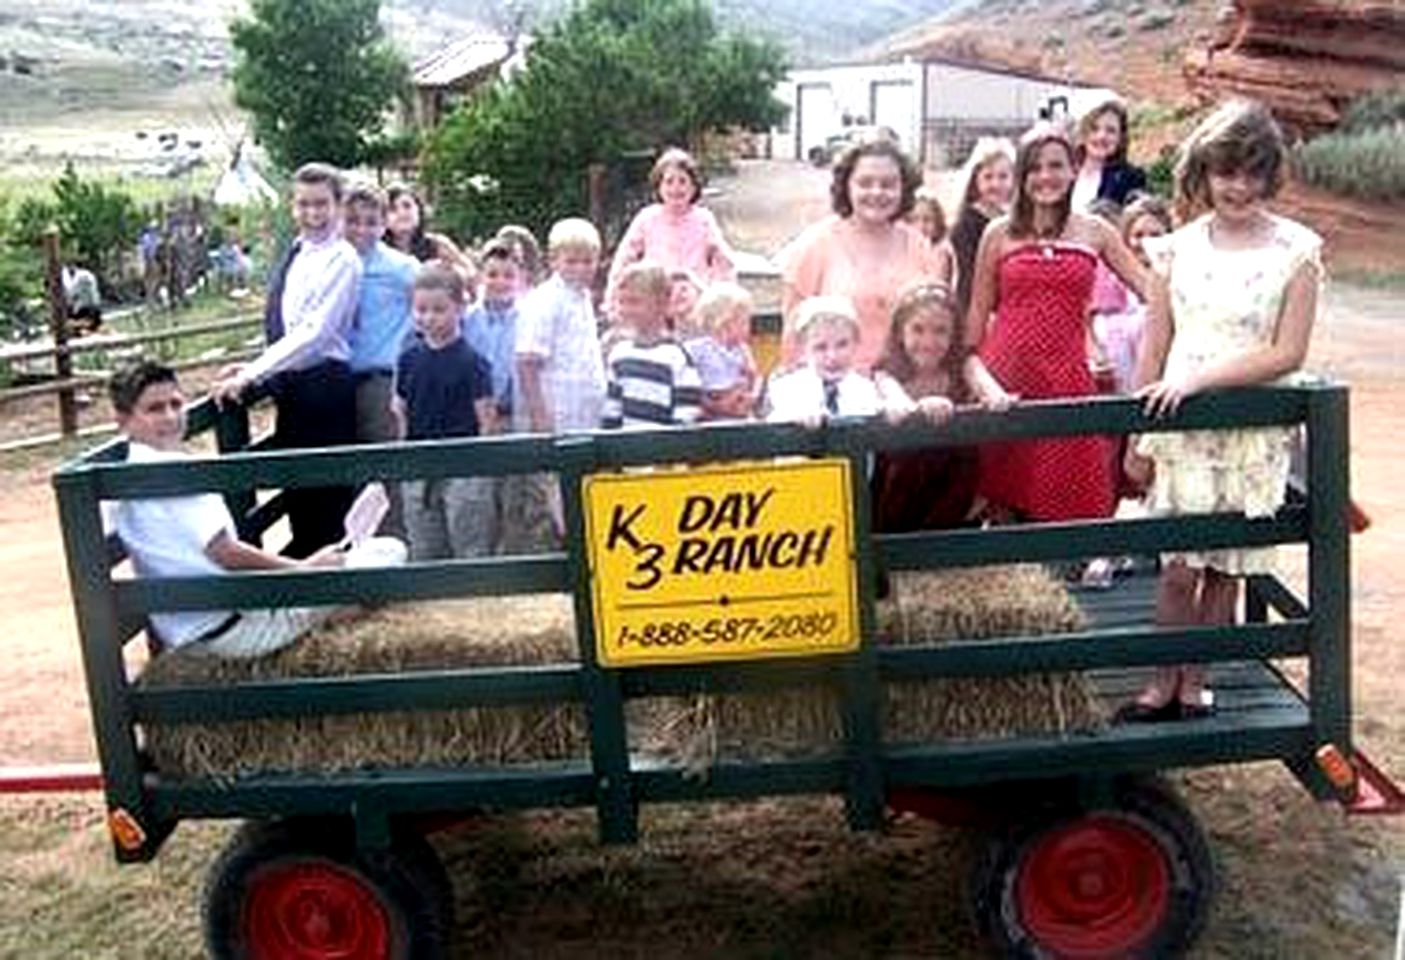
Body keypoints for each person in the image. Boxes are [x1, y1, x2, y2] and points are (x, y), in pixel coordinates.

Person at [1118, 101, 1321, 723]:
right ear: (1203, 173)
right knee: (1179, 568)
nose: (1237, 186)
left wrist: (1200, 379)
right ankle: (1160, 681)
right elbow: (1154, 345)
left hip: (1248, 432)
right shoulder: (1172, 251)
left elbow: (1288, 352)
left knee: (1225, 570)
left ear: (1269, 176)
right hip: (1179, 429)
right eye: (1225, 171)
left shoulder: (1298, 252)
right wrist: (1137, 439)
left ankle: (1195, 683)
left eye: (1252, 173)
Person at [109, 360, 405, 659]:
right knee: (389, 551)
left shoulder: (121, 475)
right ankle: (333, 616)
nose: (171, 417)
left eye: (176, 404)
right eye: (155, 409)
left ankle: (331, 610)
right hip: (233, 630)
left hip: (190, 628)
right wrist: (302, 571)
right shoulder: (178, 473)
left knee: (345, 561)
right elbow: (224, 552)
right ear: (123, 420)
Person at [962, 124, 1150, 525]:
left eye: (1056, 166)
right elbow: (976, 317)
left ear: (1073, 169)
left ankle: (1063, 581)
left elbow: (1150, 289)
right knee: (1003, 501)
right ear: (1022, 176)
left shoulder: (1095, 230)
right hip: (1006, 375)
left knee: (1067, 498)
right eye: (1034, 168)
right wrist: (973, 377)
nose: (1045, 176)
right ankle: (1014, 585)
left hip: (1066, 376)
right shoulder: (997, 233)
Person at [211, 162, 363, 558]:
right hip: (295, 389)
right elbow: (285, 327)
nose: (313, 214)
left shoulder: (342, 259)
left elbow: (315, 334)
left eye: (321, 204)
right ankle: (306, 587)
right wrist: (254, 368)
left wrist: (252, 372)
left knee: (327, 491)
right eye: (304, 205)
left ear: (338, 205)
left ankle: (336, 588)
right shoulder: (296, 252)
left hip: (325, 386)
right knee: (298, 489)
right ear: (292, 207)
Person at [782, 138, 949, 371]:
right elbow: (793, 334)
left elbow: (939, 324)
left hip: (904, 393)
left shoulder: (922, 248)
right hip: (838, 394)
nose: (877, 192)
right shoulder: (814, 245)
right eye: (865, 183)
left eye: (888, 184)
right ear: (846, 186)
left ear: (904, 189)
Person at [394, 265, 497, 561]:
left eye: (439, 309)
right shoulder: (408, 358)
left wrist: (481, 466)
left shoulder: (473, 362)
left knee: (470, 544)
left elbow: (485, 418)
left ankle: (473, 603)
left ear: (460, 308)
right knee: (424, 545)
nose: (429, 317)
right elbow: (401, 409)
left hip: (464, 463)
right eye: (421, 309)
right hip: (419, 462)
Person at [516, 218, 607, 539]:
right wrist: (541, 416)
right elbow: (527, 362)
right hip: (559, 413)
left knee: (585, 487)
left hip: (587, 414)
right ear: (553, 260)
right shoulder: (545, 301)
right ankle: (568, 552)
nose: (580, 268)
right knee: (559, 491)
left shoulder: (582, 297)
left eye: (588, 261)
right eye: (572, 261)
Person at [872, 282, 981, 532]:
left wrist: (994, 395)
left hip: (950, 477)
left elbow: (991, 390)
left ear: (954, 335)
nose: (928, 341)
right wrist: (924, 405)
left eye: (940, 331)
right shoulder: (886, 371)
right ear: (900, 332)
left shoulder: (964, 364)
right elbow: (898, 402)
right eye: (918, 330)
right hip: (901, 479)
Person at [343, 184, 419, 538]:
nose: (361, 229)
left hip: (381, 377)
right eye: (353, 220)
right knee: (352, 469)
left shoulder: (401, 268)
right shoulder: (335, 263)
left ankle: (394, 545)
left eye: (370, 221)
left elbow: (432, 310)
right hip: (340, 379)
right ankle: (357, 546)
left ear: (383, 223)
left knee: (385, 466)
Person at [604, 147, 736, 313]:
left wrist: (719, 299)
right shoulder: (647, 218)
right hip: (654, 301)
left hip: (692, 303)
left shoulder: (704, 219)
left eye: (682, 181)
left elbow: (724, 262)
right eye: (669, 182)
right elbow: (624, 259)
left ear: (694, 187)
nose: (676, 188)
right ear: (658, 186)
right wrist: (612, 300)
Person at [766, 295, 910, 425]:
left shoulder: (866, 390)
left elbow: (882, 415)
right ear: (804, 349)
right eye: (821, 347)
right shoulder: (786, 388)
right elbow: (774, 422)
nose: (833, 356)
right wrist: (796, 417)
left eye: (842, 345)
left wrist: (894, 407)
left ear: (856, 344)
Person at [600, 262, 703, 429]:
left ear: (661, 304)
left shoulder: (675, 356)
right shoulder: (619, 354)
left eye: (634, 302)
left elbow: (687, 410)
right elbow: (612, 408)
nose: (626, 309)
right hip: (627, 448)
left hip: (663, 449)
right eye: (622, 302)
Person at [949, 138, 1015, 323]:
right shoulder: (967, 225)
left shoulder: (1016, 220)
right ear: (975, 181)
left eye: (1003, 177)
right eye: (988, 177)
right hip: (979, 312)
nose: (996, 184)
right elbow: (968, 276)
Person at [686, 281, 757, 421]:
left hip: (737, 408)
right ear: (725, 323)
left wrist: (750, 380)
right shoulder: (699, 348)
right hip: (710, 411)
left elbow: (751, 377)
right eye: (744, 322)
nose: (749, 328)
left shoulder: (742, 350)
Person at [1072, 98, 1148, 210]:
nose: (1101, 136)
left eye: (1111, 131)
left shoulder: (1130, 178)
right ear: (1083, 132)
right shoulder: (1066, 169)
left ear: (1121, 138)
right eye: (1094, 128)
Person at [908, 187, 958, 285]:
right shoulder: (911, 245)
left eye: (927, 220)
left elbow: (937, 279)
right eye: (915, 219)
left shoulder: (942, 249)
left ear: (937, 221)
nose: (920, 226)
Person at [61, 263, 103, 335]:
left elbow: (71, 294)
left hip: (85, 310)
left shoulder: (80, 277)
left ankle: (85, 329)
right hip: (94, 309)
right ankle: (89, 328)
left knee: (69, 326)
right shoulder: (87, 274)